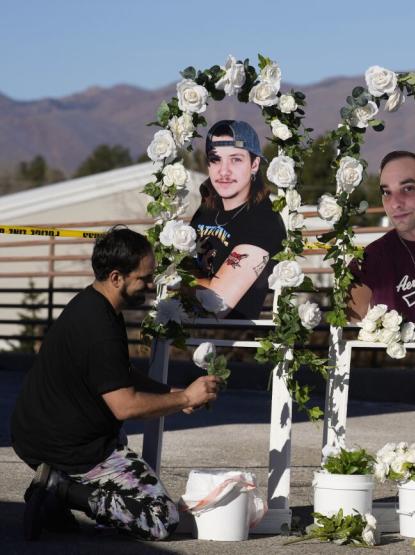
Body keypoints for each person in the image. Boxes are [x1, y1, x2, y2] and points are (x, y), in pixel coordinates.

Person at [10, 228, 222, 541]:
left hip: (36, 435)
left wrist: (173, 394)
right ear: (116, 277)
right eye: (144, 278)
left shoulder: (93, 304)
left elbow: (117, 373)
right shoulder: (99, 327)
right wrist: (184, 399)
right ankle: (61, 489)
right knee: (161, 518)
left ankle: (55, 498)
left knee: (114, 442)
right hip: (72, 447)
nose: (151, 286)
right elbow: (126, 405)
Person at [190, 120, 286, 319]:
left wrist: (178, 280)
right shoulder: (206, 211)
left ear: (254, 164)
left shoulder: (263, 221)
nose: (223, 171)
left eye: (236, 159)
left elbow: (217, 303)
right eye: (215, 160)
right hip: (187, 331)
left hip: (232, 340)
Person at [348, 150, 415, 323]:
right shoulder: (369, 259)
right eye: (386, 192)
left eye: (408, 188)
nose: (396, 203)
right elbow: (349, 332)